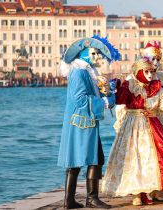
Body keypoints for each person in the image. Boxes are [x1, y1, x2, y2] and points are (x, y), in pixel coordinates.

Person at [101, 58, 163, 205]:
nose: (149, 75)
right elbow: (119, 101)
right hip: (132, 126)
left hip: (152, 125)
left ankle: (152, 189)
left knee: (152, 159)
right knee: (134, 158)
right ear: (138, 72)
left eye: (151, 72)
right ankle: (136, 193)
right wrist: (114, 89)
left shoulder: (157, 87)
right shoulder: (129, 85)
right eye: (146, 72)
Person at [57, 36, 120, 209]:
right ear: (83, 53)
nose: (97, 57)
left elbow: (92, 94)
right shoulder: (79, 72)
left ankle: (70, 201)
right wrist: (105, 103)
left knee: (87, 158)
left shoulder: (87, 71)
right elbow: (80, 100)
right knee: (90, 159)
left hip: (84, 122)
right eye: (93, 53)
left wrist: (108, 91)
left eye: (98, 54)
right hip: (81, 122)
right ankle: (90, 199)